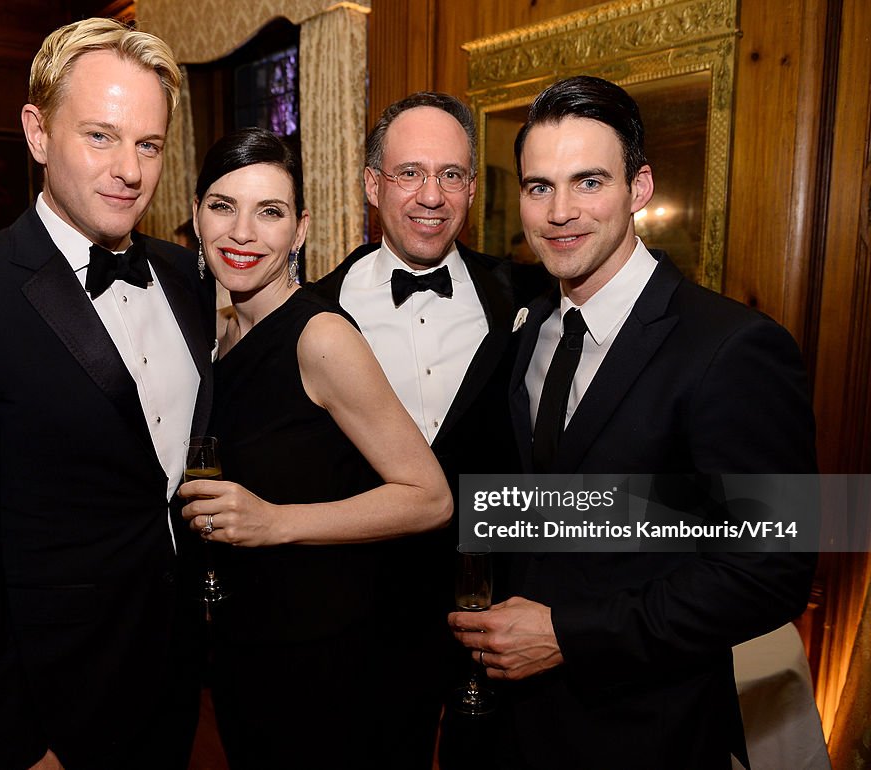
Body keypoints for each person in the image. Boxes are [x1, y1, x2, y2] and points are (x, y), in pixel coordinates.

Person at [450, 76, 817, 768]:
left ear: (638, 188)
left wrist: (571, 634)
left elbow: (772, 572)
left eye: (589, 182)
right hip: (515, 724)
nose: (559, 212)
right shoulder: (531, 334)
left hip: (647, 730)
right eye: (538, 187)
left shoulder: (733, 348)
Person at [0, 19, 213, 770]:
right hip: (46, 703)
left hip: (172, 676)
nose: (128, 169)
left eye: (149, 144)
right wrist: (13, 741)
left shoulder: (186, 276)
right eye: (100, 136)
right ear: (37, 132)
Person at [180, 127, 451, 769]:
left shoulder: (320, 336)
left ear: (299, 230)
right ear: (195, 217)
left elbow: (430, 498)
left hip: (322, 660)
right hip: (246, 648)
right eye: (223, 206)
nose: (243, 233)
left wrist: (275, 522)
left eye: (269, 212)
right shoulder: (210, 335)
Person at [311, 92, 519, 766]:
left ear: (471, 189)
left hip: (491, 614)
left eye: (452, 175)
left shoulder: (526, 299)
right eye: (409, 173)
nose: (432, 195)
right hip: (361, 616)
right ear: (373, 184)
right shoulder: (315, 314)